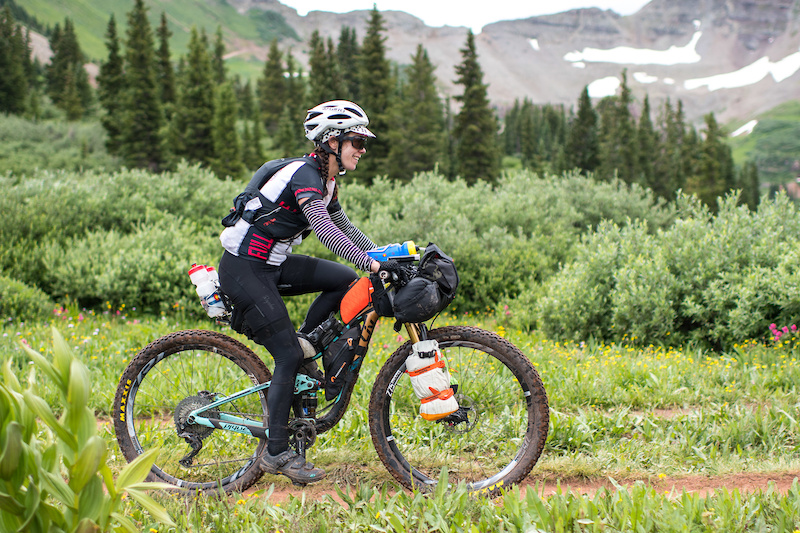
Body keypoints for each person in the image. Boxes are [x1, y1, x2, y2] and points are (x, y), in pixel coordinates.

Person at [217, 100, 401, 484]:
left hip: (272, 262)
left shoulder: (327, 179)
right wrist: (372, 263)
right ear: (331, 141)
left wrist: (384, 256)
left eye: (364, 143)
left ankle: (305, 343)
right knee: (284, 354)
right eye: (356, 142)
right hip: (245, 268)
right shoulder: (305, 176)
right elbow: (325, 232)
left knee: (343, 280)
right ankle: (276, 452)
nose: (362, 150)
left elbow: (346, 229)